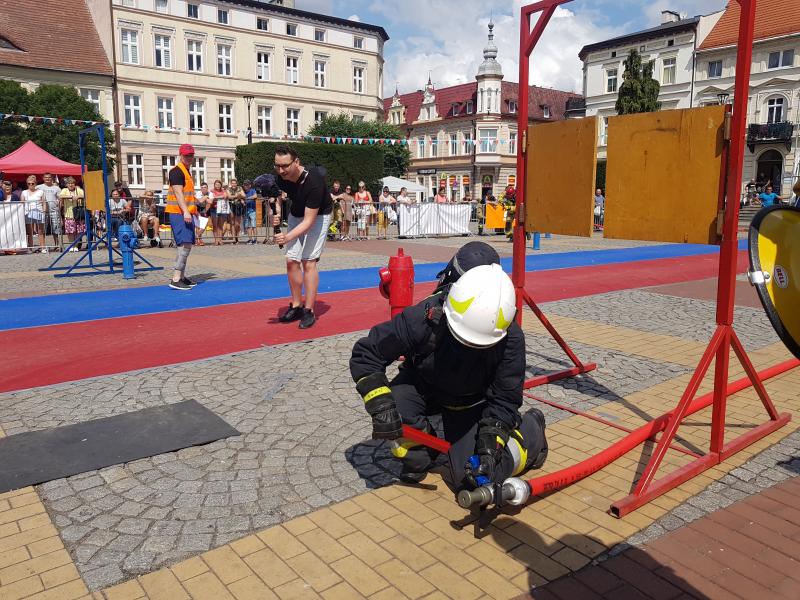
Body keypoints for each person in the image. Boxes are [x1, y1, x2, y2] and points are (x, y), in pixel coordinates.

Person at [349, 242, 548, 489]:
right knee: (405, 427)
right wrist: (380, 405)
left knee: (479, 476)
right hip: (427, 388)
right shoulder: (426, 317)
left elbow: (505, 399)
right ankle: (425, 452)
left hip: (473, 404)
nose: (467, 346)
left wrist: (491, 441)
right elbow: (367, 353)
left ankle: (533, 430)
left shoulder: (510, 338)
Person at [271, 145, 332, 329]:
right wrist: (277, 212)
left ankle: (309, 310)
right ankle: (297, 305)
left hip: (319, 216)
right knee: (291, 260)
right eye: (277, 166)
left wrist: (287, 237)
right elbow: (277, 197)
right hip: (296, 213)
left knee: (308, 261)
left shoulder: (314, 181)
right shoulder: (280, 176)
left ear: (296, 162)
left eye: (285, 166)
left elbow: (309, 222)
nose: (281, 170)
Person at [166, 144, 199, 291]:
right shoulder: (176, 171)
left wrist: (194, 208)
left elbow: (187, 195)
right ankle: (175, 278)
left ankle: (182, 276)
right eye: (186, 155)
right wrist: (186, 211)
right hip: (178, 213)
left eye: (191, 155)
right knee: (184, 245)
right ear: (180, 155)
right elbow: (178, 193)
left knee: (187, 245)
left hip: (186, 212)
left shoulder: (186, 172)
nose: (189, 158)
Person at [59, 177, 85, 251]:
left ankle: (76, 245)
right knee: (70, 231)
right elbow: (60, 196)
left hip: (78, 214)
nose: (71, 185)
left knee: (78, 231)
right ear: (66, 184)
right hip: (68, 213)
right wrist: (70, 197)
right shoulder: (64, 190)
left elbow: (85, 195)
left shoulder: (78, 190)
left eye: (72, 183)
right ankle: (72, 245)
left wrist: (78, 197)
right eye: (69, 183)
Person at [37, 173, 63, 249]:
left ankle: (57, 245)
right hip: (43, 212)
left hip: (54, 211)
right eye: (46, 177)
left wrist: (59, 209)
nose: (47, 179)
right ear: (43, 178)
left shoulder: (57, 188)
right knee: (42, 230)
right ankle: (43, 246)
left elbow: (60, 199)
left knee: (56, 229)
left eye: (49, 177)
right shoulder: (38, 187)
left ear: (52, 178)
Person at [22, 175, 46, 252]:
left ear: (35, 183)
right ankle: (30, 248)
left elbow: (44, 203)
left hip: (39, 212)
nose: (31, 185)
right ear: (27, 184)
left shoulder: (41, 192)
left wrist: (44, 212)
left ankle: (43, 247)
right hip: (27, 213)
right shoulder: (24, 192)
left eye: (32, 183)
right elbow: (22, 204)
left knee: (40, 231)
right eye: (29, 183)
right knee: (30, 232)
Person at [227, 178, 246, 244]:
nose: (233, 184)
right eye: (232, 183)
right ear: (231, 184)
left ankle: (237, 237)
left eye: (235, 183)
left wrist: (239, 196)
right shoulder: (228, 189)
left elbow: (244, 195)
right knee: (232, 223)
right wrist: (237, 196)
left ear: (236, 183)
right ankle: (234, 239)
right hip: (231, 206)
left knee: (237, 224)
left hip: (238, 206)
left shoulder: (240, 188)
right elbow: (229, 196)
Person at [211, 179, 228, 245]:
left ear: (221, 185)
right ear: (214, 185)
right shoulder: (212, 191)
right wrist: (220, 197)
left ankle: (220, 239)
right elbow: (212, 198)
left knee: (220, 225)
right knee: (215, 225)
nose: (217, 186)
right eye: (216, 184)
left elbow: (225, 196)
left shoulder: (223, 191)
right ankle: (216, 240)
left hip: (221, 209)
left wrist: (216, 197)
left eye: (219, 184)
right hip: (214, 209)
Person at [243, 179, 258, 244]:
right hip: (246, 211)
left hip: (252, 210)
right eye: (245, 185)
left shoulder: (252, 190)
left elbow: (255, 196)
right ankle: (250, 239)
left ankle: (255, 239)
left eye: (247, 185)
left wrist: (247, 198)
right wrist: (243, 201)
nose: (246, 186)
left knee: (253, 226)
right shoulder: (243, 192)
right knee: (248, 226)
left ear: (250, 185)